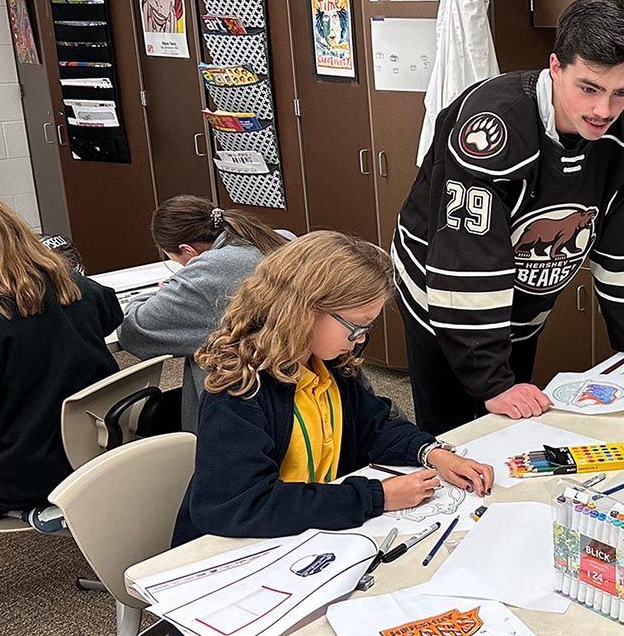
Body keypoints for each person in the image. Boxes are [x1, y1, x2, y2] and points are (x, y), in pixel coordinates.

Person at [392, 0, 624, 435]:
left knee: (513, 423)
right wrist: (490, 378)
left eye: (621, 93)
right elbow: (466, 259)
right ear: (555, 67)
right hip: (442, 297)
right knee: (456, 434)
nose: (603, 111)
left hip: (521, 300)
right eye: (589, 88)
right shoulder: (491, 125)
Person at [172, 231, 494, 545]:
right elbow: (239, 505)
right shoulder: (240, 390)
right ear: (303, 312)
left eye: (368, 328)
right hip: (232, 553)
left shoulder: (327, 365)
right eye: (356, 327)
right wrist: (375, 497)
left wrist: (433, 453)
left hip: (302, 534)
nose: (361, 340)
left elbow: (374, 426)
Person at [0, 189, 121, 529]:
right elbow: (110, 314)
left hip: (21, 471)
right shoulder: (71, 283)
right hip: (95, 446)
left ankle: (26, 505)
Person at [118, 196, 290, 433]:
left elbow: (134, 331)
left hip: (239, 404)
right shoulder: (279, 238)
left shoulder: (209, 272)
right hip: (293, 379)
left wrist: (164, 290)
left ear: (188, 250)